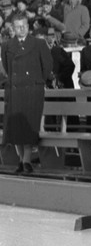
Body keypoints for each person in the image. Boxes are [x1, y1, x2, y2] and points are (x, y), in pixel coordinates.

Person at [1, 14, 52, 174]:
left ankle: (26, 160)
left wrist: (37, 83)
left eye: (23, 26)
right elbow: (7, 68)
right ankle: (22, 161)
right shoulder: (7, 45)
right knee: (15, 129)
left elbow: (47, 66)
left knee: (29, 127)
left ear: (28, 27)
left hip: (32, 91)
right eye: (17, 27)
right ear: (13, 29)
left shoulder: (38, 43)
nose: (21, 29)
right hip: (15, 91)